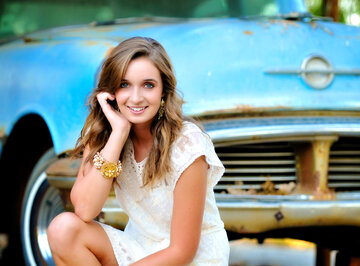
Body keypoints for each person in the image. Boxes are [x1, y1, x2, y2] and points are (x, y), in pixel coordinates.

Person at [47, 36, 230, 265]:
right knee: (63, 230)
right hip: (139, 248)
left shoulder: (187, 143)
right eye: (124, 84)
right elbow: (84, 210)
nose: (135, 98)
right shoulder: (106, 133)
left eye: (148, 85)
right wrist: (119, 134)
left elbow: (182, 251)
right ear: (111, 90)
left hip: (192, 258)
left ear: (164, 90)